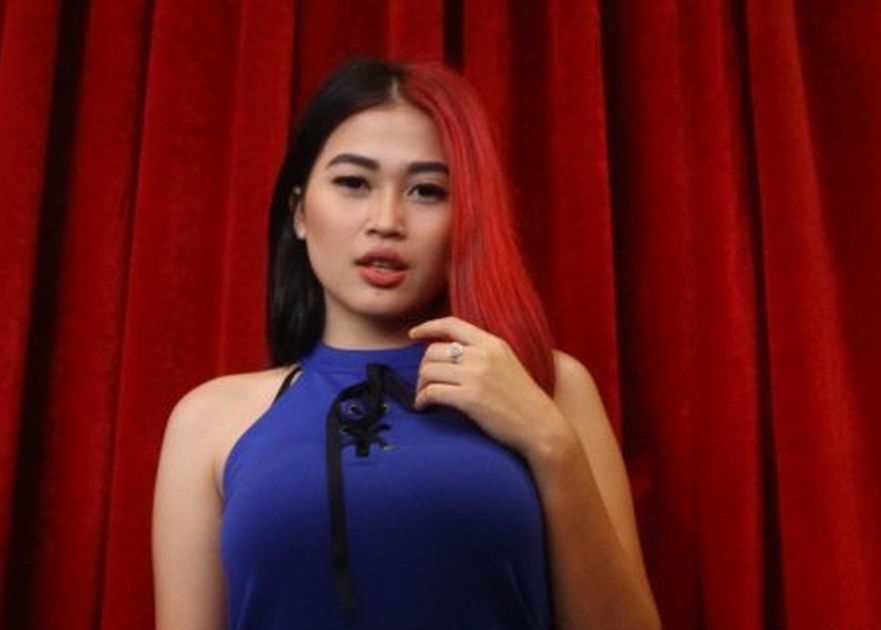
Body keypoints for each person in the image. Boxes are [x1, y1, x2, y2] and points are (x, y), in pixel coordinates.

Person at [152, 58, 661, 629]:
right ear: (298, 212)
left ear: (465, 218)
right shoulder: (207, 421)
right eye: (353, 183)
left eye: (426, 190)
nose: (386, 220)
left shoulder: (547, 386)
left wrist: (549, 441)